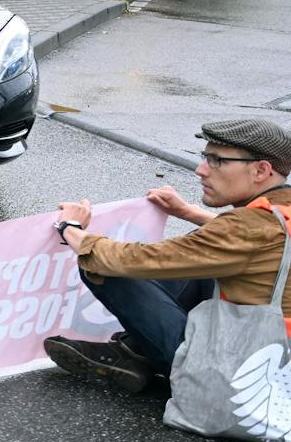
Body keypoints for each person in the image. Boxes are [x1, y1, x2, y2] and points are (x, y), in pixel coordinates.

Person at [44, 118, 291, 393]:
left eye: (217, 160)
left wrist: (71, 228)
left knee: (103, 266)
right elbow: (256, 241)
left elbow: (128, 260)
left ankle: (141, 354)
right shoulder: (276, 217)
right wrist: (189, 213)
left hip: (236, 383)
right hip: (280, 363)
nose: (201, 170)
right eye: (204, 157)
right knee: (203, 258)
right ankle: (134, 352)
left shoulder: (244, 229)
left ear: (261, 170)